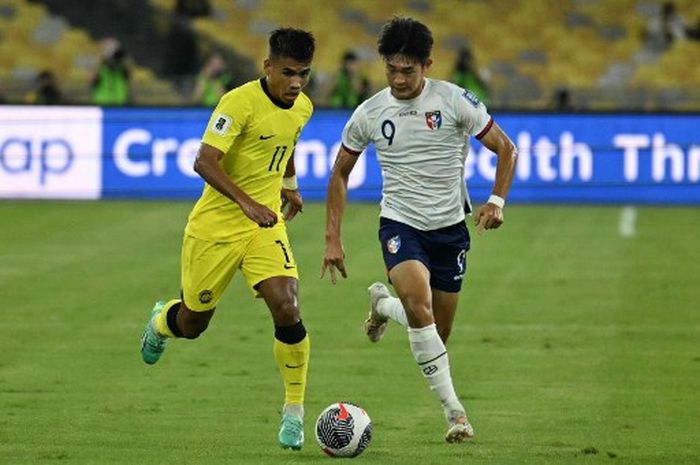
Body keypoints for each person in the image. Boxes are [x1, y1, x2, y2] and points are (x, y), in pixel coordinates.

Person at [321, 17, 517, 443]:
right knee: (420, 307)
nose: (398, 78)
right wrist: (332, 237)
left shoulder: (454, 101)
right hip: (400, 224)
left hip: (450, 229)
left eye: (408, 70)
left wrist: (496, 201)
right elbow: (339, 173)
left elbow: (506, 147)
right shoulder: (370, 112)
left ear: (427, 65)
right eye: (391, 68)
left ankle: (381, 307)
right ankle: (456, 414)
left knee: (433, 334)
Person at [140, 27, 316, 451]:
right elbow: (204, 161)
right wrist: (246, 203)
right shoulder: (237, 103)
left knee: (287, 306)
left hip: (264, 227)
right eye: (289, 73)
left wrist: (288, 184)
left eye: (304, 74)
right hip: (216, 228)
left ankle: (294, 413)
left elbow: (286, 142)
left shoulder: (303, 106)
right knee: (193, 323)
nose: (296, 83)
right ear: (268, 67)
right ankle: (162, 320)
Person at [91, 38, 131, 106]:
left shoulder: (121, 69)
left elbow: (128, 75)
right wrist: (102, 59)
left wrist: (121, 59)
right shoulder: (101, 69)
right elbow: (92, 79)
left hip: (120, 104)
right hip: (102, 105)